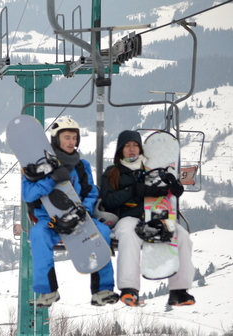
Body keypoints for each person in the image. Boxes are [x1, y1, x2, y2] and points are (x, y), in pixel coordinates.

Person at [21, 117, 118, 307]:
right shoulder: (37, 167)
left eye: (74, 138)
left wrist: (83, 211)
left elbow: (91, 192)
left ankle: (102, 290)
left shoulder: (82, 166)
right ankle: (47, 291)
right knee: (38, 235)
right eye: (66, 137)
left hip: (79, 218)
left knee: (103, 232)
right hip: (49, 220)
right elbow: (28, 194)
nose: (71, 142)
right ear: (56, 139)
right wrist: (51, 179)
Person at [100, 130, 195, 307]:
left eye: (135, 145)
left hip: (155, 215)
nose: (131, 149)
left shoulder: (152, 169)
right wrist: (133, 191)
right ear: (120, 150)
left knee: (181, 235)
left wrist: (173, 188)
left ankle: (179, 291)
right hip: (128, 217)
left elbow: (165, 193)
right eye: (127, 146)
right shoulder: (113, 173)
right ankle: (129, 288)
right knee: (129, 234)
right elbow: (108, 201)